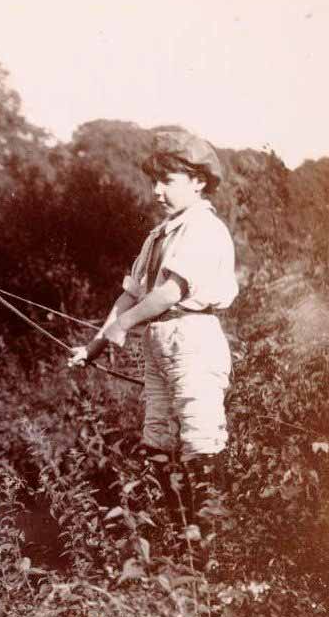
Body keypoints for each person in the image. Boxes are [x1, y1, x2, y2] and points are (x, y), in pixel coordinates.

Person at [69, 127, 238, 529]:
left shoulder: (204, 229)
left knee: (200, 439)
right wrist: (93, 346)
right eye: (154, 182)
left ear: (198, 182)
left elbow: (168, 293)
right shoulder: (157, 236)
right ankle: (181, 534)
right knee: (157, 438)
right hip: (160, 343)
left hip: (193, 340)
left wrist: (124, 326)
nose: (157, 192)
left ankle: (213, 543)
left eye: (167, 181)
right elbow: (129, 296)